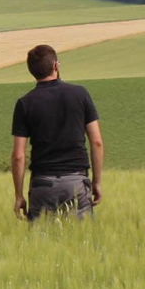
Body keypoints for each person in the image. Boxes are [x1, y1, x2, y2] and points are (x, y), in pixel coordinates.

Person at [11, 45, 104, 221]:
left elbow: (18, 155)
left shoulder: (24, 103)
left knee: (41, 245)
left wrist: (18, 195)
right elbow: (97, 142)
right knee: (81, 241)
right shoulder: (80, 94)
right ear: (56, 66)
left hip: (42, 185)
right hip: (77, 182)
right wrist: (97, 182)